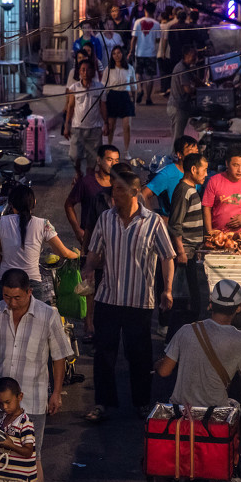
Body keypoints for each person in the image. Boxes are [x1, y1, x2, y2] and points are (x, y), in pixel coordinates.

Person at [147, 280, 241, 482]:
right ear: (239, 308)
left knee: (163, 440)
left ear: (210, 304)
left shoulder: (187, 331)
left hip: (181, 410)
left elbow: (165, 370)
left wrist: (159, 362)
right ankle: (228, 473)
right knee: (235, 408)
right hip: (215, 413)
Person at [0, 269, 73, 482]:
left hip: (33, 402)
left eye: (17, 298)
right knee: (1, 455)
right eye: (7, 297)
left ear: (29, 292)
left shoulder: (48, 316)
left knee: (32, 459)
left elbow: (59, 357)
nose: (12, 303)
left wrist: (56, 392)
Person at [82, 163, 176, 422]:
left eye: (121, 191)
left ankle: (142, 403)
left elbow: (168, 257)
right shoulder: (106, 218)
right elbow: (94, 250)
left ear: (135, 192)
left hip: (138, 302)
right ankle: (102, 403)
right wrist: (89, 267)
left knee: (140, 356)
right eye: (114, 190)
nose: (116, 196)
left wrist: (167, 289)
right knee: (104, 355)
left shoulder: (154, 222)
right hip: (108, 298)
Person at [64, 144, 120, 337]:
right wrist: (78, 230)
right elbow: (69, 204)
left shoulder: (118, 188)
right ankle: (89, 325)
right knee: (90, 285)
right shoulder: (87, 183)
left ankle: (104, 323)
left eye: (116, 160)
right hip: (90, 241)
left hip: (112, 245)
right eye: (109, 159)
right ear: (98, 160)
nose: (112, 163)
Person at [0, 185, 79, 304]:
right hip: (32, 285)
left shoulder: (1, 222)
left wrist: (8, 262)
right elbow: (63, 253)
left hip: (5, 283)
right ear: (34, 203)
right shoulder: (43, 224)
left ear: (11, 204)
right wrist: (79, 256)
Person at [167, 152, 210, 334]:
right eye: (204, 170)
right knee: (185, 302)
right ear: (193, 170)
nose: (206, 174)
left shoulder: (192, 190)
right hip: (185, 254)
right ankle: (175, 339)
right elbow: (175, 224)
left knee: (192, 300)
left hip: (191, 252)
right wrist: (181, 251)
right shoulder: (184, 191)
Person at [63, 58, 106, 176]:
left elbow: (103, 107)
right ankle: (78, 173)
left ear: (93, 72)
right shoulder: (74, 88)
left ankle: (89, 178)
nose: (85, 73)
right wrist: (66, 126)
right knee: (74, 155)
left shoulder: (100, 88)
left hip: (95, 128)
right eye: (83, 70)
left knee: (93, 157)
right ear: (79, 72)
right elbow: (70, 108)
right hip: (77, 128)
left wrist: (106, 123)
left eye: (88, 70)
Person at [144, 135, 199, 216]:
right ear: (179, 155)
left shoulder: (197, 171)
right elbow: (143, 194)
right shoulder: (168, 174)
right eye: (191, 151)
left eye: (196, 151)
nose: (195, 155)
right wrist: (153, 218)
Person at [101, 45, 138, 154]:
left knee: (127, 126)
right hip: (112, 96)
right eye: (114, 54)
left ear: (122, 54)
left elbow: (134, 86)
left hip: (125, 97)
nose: (117, 56)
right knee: (111, 126)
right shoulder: (108, 69)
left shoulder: (129, 68)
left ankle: (126, 150)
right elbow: (104, 86)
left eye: (118, 53)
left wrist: (134, 102)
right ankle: (110, 148)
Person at [168, 45, 203, 144]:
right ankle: (174, 157)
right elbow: (187, 89)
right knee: (178, 138)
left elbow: (196, 79)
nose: (195, 58)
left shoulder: (187, 67)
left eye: (196, 56)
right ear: (186, 55)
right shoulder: (182, 69)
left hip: (181, 106)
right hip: (178, 107)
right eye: (193, 55)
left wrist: (206, 87)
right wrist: (198, 90)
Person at [129, 2, 162, 105]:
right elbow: (157, 40)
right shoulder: (157, 24)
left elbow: (134, 38)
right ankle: (148, 98)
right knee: (150, 76)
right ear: (154, 11)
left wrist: (131, 51)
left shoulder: (138, 22)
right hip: (151, 53)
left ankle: (140, 90)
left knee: (138, 73)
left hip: (139, 52)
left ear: (145, 11)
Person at [157, 6, 177, 98]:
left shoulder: (163, 26)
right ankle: (170, 88)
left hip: (163, 52)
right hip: (172, 52)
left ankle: (164, 88)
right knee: (170, 71)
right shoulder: (169, 25)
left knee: (163, 71)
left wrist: (163, 52)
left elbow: (163, 40)